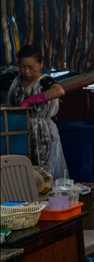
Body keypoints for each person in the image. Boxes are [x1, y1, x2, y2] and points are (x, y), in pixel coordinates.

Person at [5, 45, 67, 179]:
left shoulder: (45, 81)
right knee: (18, 168)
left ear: (41, 64)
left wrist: (31, 100)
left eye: (31, 67)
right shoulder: (14, 80)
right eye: (22, 66)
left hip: (41, 131)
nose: (26, 71)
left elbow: (59, 91)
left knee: (43, 173)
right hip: (17, 131)